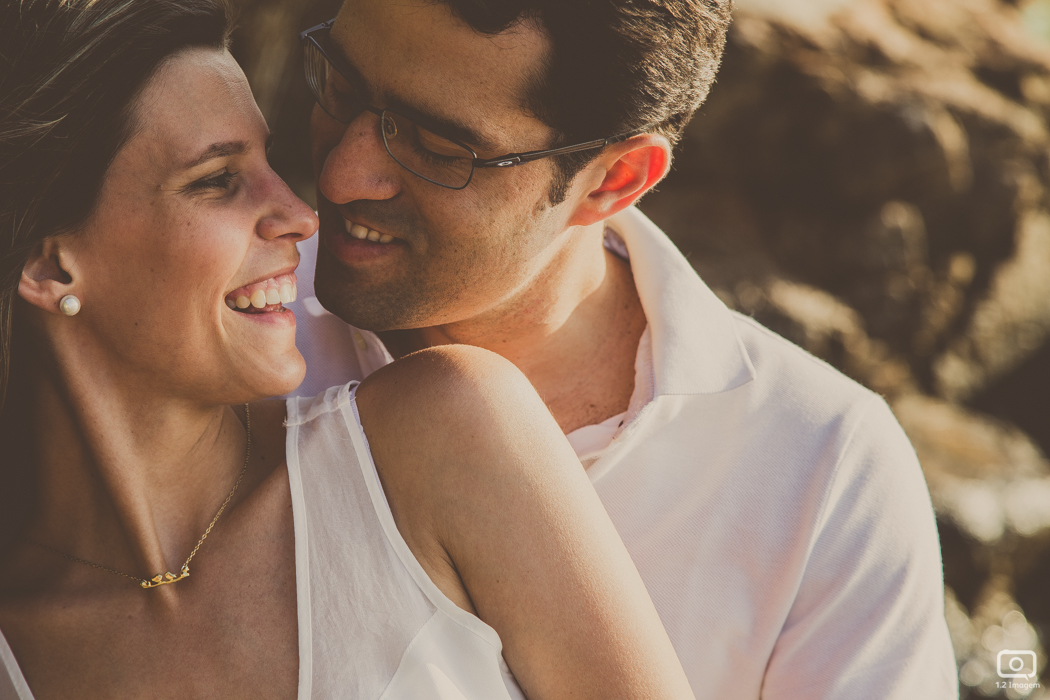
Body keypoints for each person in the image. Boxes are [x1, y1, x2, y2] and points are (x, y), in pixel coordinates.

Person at [0, 1, 698, 698]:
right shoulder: (17, 647)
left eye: (270, 161)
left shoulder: (444, 434)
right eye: (217, 180)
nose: (305, 212)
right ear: (48, 267)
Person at [292, 0, 961, 697]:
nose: (341, 176)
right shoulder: (207, 338)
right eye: (340, 88)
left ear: (614, 180)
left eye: (438, 149)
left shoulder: (822, 469)